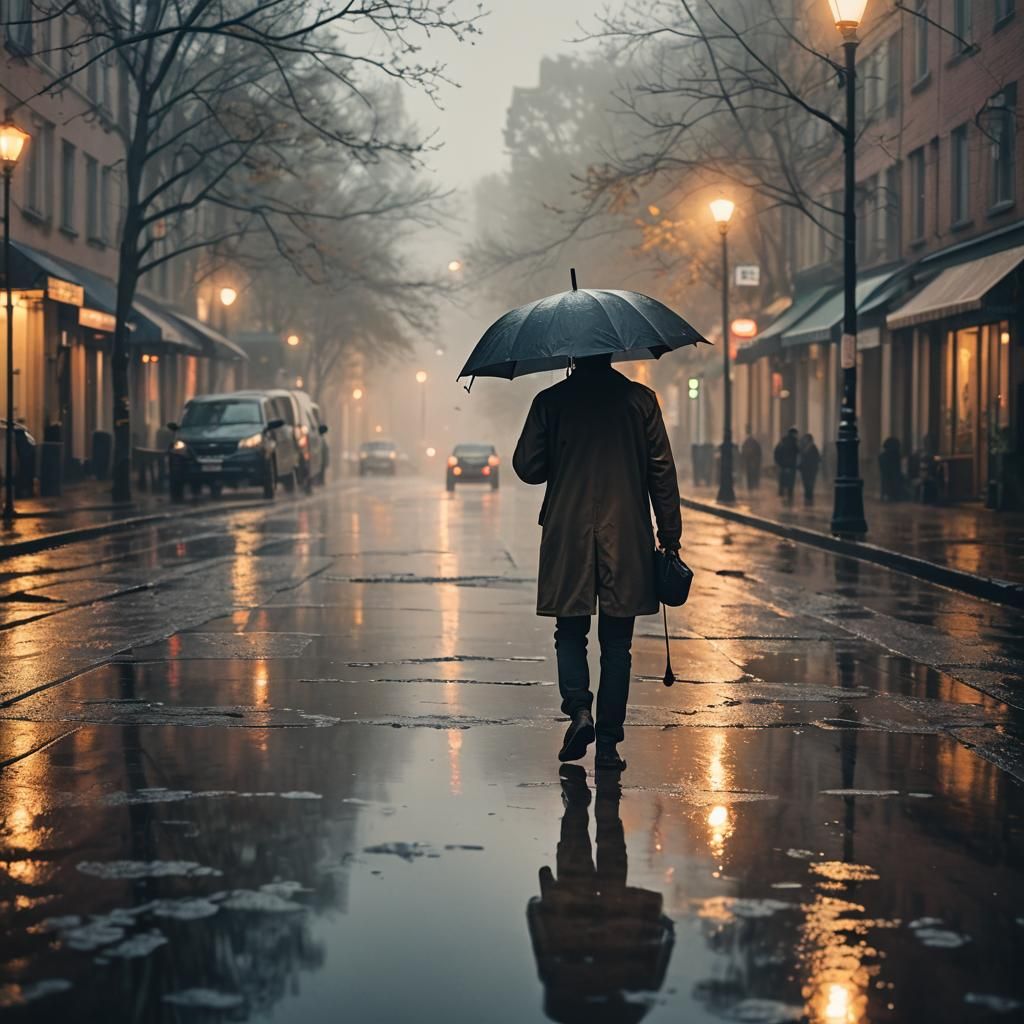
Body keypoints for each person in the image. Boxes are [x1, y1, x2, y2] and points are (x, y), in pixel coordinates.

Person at [513, 354, 682, 771]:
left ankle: (579, 711)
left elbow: (527, 467)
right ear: (613, 351)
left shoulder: (550, 401)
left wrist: (561, 446)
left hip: (567, 532)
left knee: (569, 631)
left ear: (572, 354)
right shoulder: (641, 401)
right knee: (617, 644)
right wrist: (670, 536)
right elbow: (661, 471)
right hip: (625, 533)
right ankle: (608, 743)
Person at [526, 766, 674, 1022]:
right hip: (585, 922)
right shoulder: (565, 1006)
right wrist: (539, 904)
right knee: (577, 863)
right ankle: (582, 805)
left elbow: (666, 938)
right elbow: (540, 936)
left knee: (605, 861)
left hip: (608, 921)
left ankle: (601, 804)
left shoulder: (624, 1010)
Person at [773, 427, 799, 504]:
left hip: (783, 467)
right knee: (790, 486)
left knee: (782, 484)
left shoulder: (782, 442)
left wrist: (779, 463)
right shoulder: (794, 442)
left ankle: (782, 502)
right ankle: (789, 502)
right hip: (791, 467)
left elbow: (776, 453)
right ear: (794, 434)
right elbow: (797, 454)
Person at [797, 433, 821, 506]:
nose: (805, 441)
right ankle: (807, 500)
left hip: (811, 471)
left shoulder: (813, 448)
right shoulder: (804, 448)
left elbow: (817, 459)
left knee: (809, 486)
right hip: (805, 471)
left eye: (806, 439)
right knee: (806, 485)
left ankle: (809, 501)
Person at [740, 427, 762, 491]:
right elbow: (759, 453)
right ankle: (754, 486)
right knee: (754, 474)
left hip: (749, 461)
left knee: (750, 474)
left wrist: (743, 461)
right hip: (753, 461)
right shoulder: (755, 443)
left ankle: (750, 487)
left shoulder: (746, 442)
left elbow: (743, 453)